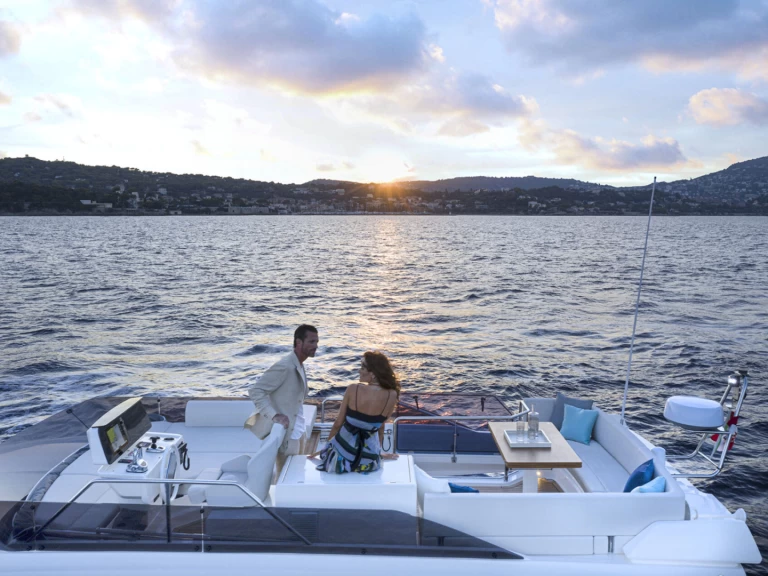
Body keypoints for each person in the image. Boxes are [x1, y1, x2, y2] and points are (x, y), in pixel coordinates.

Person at [313, 351, 400, 474]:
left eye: (363, 367)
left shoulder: (353, 389)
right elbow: (380, 428)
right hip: (369, 460)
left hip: (342, 457)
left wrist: (326, 448)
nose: (359, 370)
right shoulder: (392, 394)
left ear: (373, 374)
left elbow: (338, 424)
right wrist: (378, 453)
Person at [246, 324, 318, 457]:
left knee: (297, 474)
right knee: (284, 476)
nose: (316, 346)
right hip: (288, 436)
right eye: (311, 341)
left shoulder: (299, 364)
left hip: (299, 430)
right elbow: (256, 391)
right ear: (298, 342)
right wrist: (274, 415)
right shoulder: (285, 366)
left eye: (317, 342)